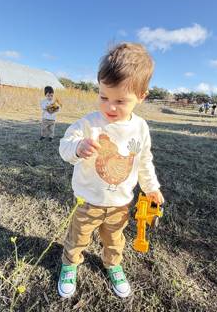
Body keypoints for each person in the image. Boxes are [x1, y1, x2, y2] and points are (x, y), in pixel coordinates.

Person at [58, 43, 164, 299]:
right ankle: (69, 264)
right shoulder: (87, 123)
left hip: (120, 202)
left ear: (141, 96)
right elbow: (64, 146)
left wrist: (151, 187)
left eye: (120, 101)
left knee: (115, 239)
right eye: (104, 97)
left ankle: (113, 264)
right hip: (88, 200)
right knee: (78, 236)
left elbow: (143, 160)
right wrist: (77, 147)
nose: (110, 107)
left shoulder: (140, 128)